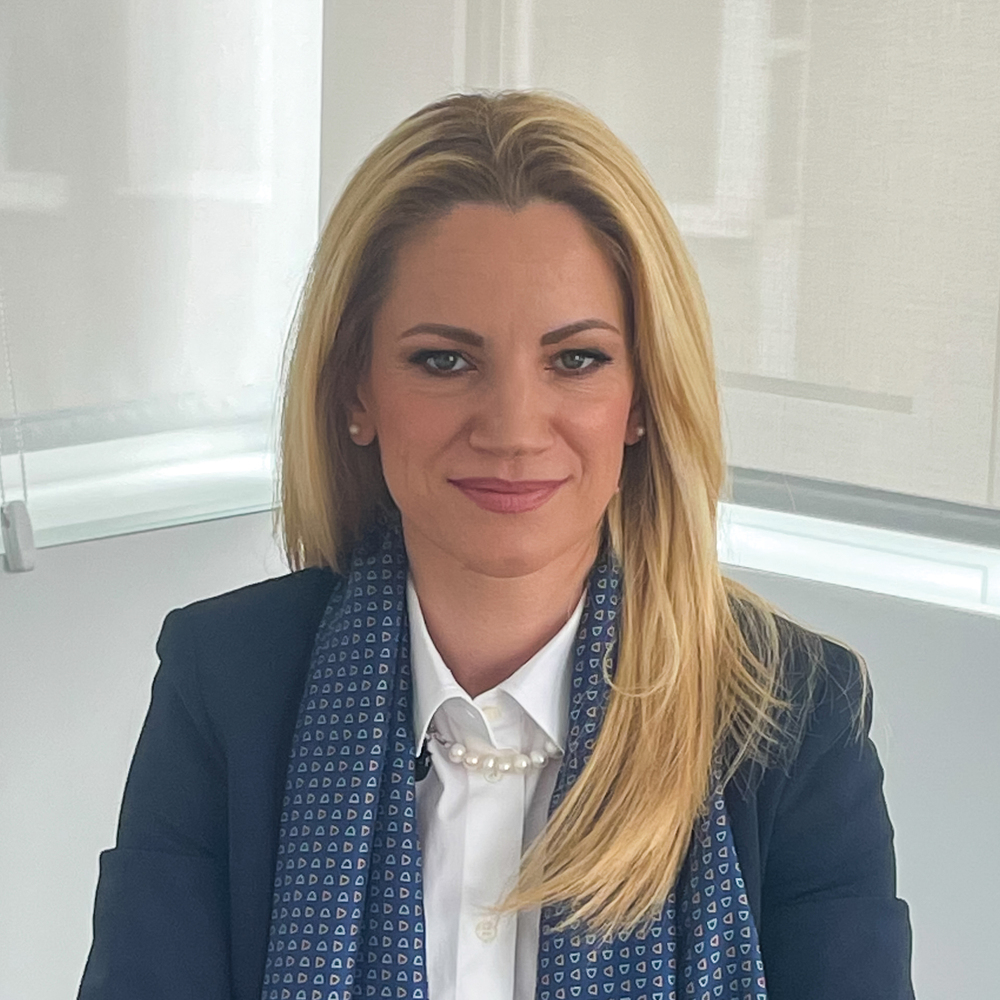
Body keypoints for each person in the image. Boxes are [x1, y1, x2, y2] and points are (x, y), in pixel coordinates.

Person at [78, 91, 914, 1000]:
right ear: (356, 390)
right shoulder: (223, 683)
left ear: (642, 396)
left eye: (576, 359)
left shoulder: (796, 720)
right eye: (445, 360)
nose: (513, 428)